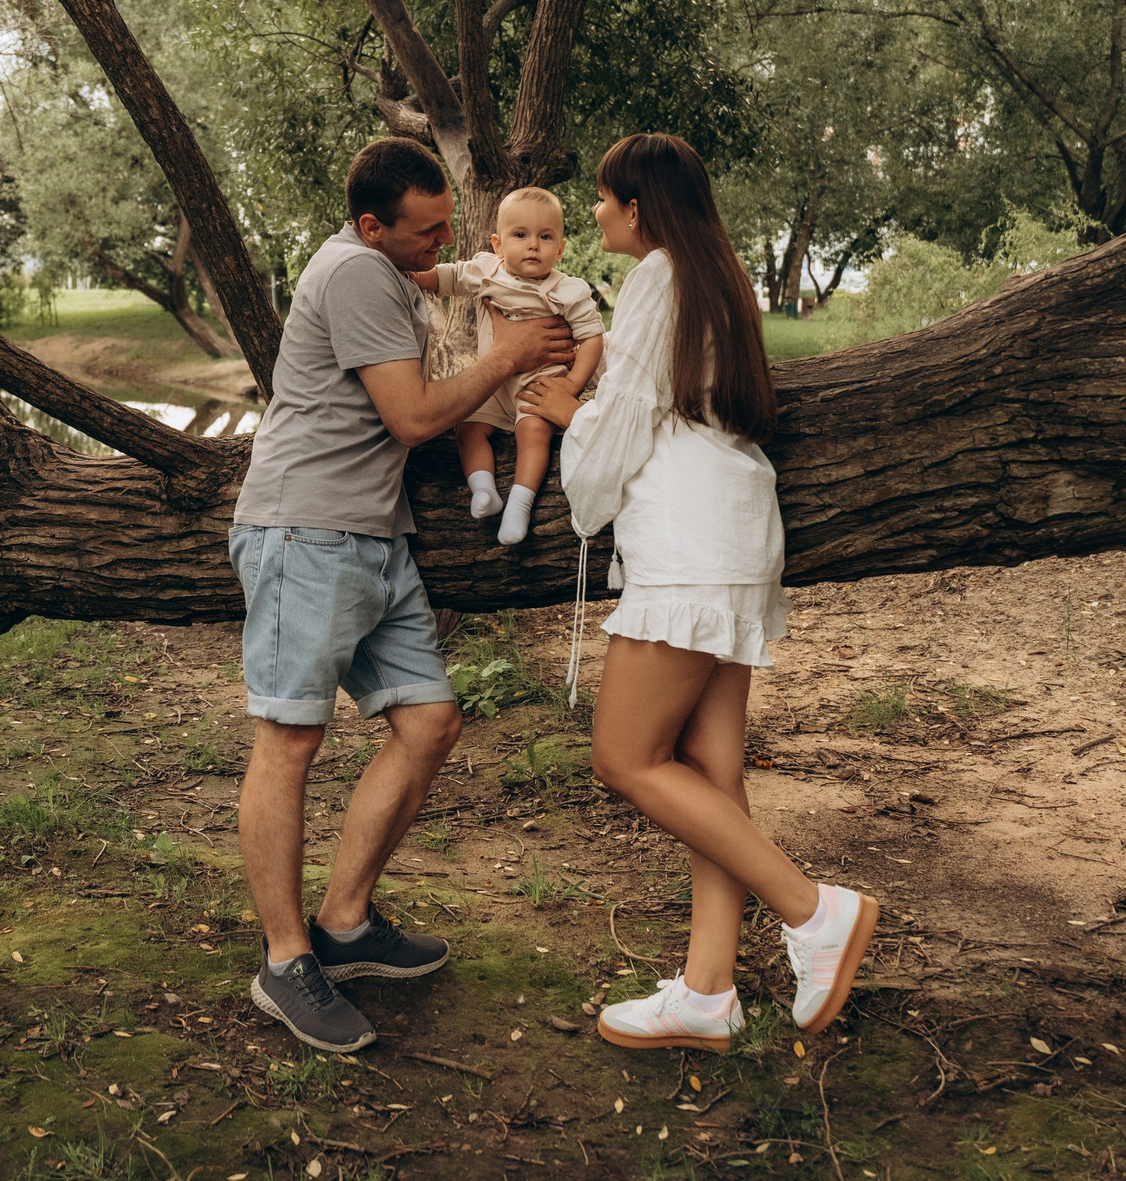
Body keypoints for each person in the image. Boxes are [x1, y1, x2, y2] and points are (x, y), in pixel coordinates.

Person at [522, 133, 880, 1055]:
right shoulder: (716, 275)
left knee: (625, 757)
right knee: (711, 772)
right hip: (733, 529)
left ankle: (814, 911)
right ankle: (706, 991)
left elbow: (630, 409)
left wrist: (569, 423)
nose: (593, 213)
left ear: (637, 207)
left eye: (602, 199)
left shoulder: (659, 275)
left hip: (688, 540)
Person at [230, 137, 577, 1053]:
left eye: (447, 227)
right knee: (291, 738)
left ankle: (345, 926)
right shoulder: (353, 273)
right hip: (305, 530)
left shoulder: (392, 271)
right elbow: (417, 416)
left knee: (429, 722)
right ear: (372, 223)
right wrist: (506, 357)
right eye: (425, 232)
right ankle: (285, 959)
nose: (442, 242)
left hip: (375, 534)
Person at [405, 185, 606, 544]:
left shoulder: (569, 290)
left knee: (534, 434)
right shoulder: (487, 270)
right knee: (468, 427)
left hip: (538, 386)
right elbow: (447, 277)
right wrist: (415, 277)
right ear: (498, 245)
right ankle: (483, 489)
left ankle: (520, 503)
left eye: (545, 237)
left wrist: (572, 385)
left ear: (560, 250)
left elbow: (592, 337)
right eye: (520, 234)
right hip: (494, 385)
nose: (533, 244)